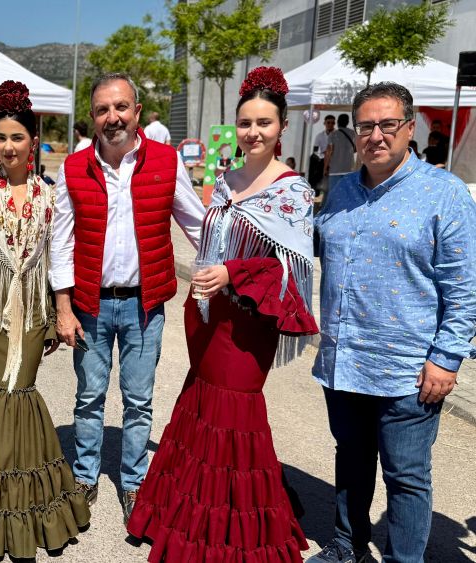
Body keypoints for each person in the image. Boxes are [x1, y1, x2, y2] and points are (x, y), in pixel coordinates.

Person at [127, 66, 318, 562]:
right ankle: (185, 520)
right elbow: (209, 239)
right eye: (246, 122)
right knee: (203, 406)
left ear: (282, 127)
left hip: (249, 324)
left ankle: (233, 535)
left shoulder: (293, 191)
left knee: (234, 415)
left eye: (264, 123)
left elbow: (290, 271)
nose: (253, 132)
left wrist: (232, 273)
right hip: (208, 314)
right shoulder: (226, 179)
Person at [308, 82, 476, 563]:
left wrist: (446, 359)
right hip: (344, 362)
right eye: (366, 126)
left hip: (408, 370)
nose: (375, 135)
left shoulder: (444, 194)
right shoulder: (342, 190)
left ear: (409, 128)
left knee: (406, 477)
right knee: (351, 461)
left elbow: (465, 287)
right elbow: (308, 246)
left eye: (387, 124)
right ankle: (348, 545)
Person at [0, 80, 90, 559]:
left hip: (31, 312)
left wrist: (54, 315)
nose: (8, 147)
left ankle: (27, 509)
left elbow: (57, 259)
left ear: (34, 142)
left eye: (18, 138)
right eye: (2, 138)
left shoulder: (52, 198)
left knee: (19, 391)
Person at [49, 72, 205, 523]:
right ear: (92, 116)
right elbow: (60, 242)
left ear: (137, 112)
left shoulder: (166, 162)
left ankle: (134, 482)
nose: (112, 117)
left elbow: (198, 226)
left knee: (138, 401)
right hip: (89, 305)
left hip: (144, 305)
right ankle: (86, 475)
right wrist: (63, 308)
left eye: (120, 107)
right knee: (89, 397)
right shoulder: (73, 168)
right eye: (102, 109)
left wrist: (234, 269)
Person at [323, 113, 355, 203]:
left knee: (333, 194)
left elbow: (329, 152)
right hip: (349, 169)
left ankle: (332, 209)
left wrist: (325, 168)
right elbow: (356, 149)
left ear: (338, 122)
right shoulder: (353, 133)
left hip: (335, 170)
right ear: (347, 122)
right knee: (347, 193)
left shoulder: (333, 134)